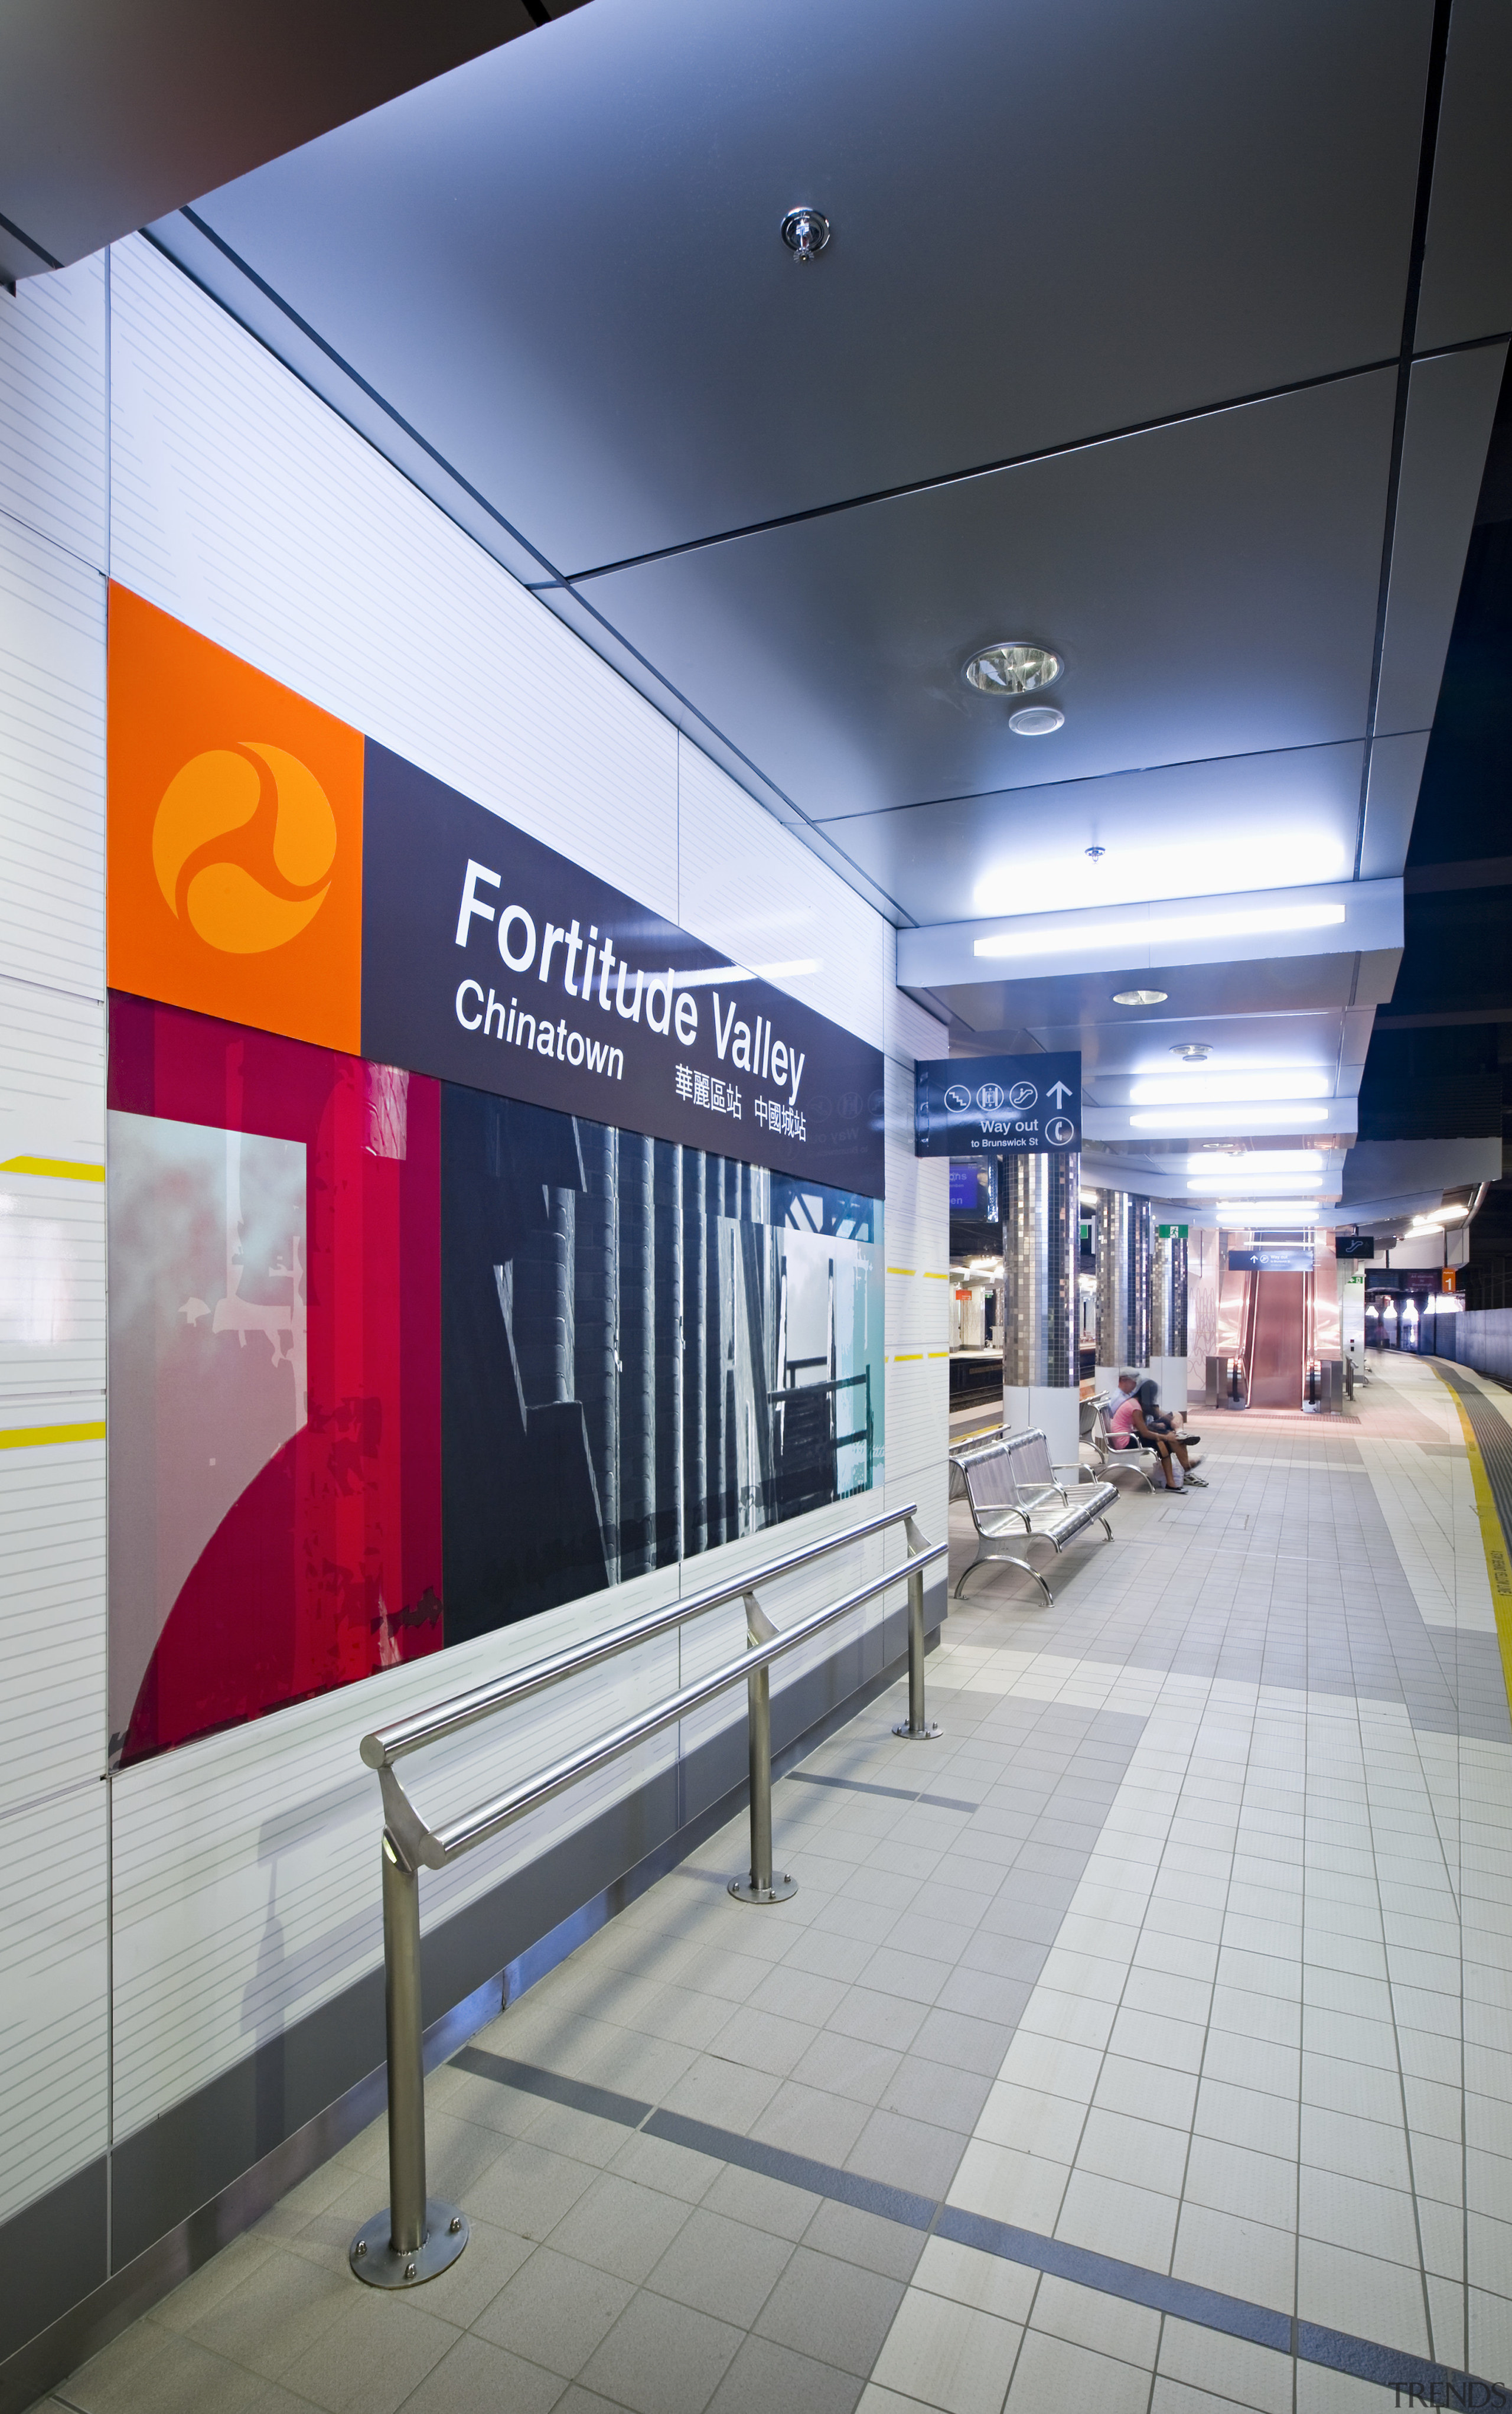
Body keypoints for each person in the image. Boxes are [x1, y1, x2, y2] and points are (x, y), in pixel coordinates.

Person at [1109, 1369, 1207, 1491]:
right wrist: (1166, 1437)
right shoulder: (1135, 1407)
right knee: (1164, 1442)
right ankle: (1179, 1473)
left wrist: (1162, 1433)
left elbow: (1141, 1428)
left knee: (1167, 1438)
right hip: (1125, 1441)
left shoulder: (1134, 1403)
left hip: (1127, 1436)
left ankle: (1174, 1479)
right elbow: (1144, 1432)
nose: (1134, 1386)